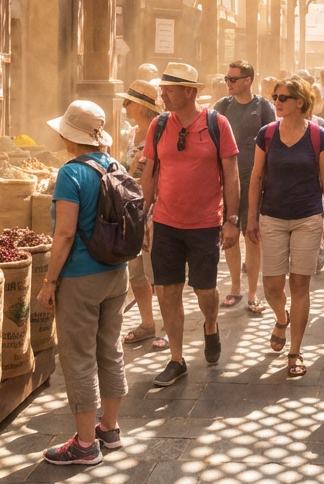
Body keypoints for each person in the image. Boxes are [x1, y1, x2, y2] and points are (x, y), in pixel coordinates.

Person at [36, 101, 128, 465]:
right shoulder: (114, 164)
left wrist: (49, 281)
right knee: (110, 351)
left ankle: (86, 445)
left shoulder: (70, 174)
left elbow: (64, 234)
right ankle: (110, 429)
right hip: (115, 273)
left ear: (69, 135)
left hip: (80, 277)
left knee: (78, 359)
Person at [141, 63, 241, 387]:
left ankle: (210, 325)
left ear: (189, 91)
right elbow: (149, 172)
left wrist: (232, 220)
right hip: (166, 222)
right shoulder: (157, 125)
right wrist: (144, 215)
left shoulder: (217, 124)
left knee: (204, 291)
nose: (162, 93)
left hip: (204, 224)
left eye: (168, 88)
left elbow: (232, 175)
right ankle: (176, 358)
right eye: (162, 88)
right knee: (168, 291)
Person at [247, 76, 324, 377]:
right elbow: (257, 176)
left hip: (307, 217)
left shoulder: (317, 135)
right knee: (271, 286)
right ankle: (281, 318)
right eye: (275, 96)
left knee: (300, 286)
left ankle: (295, 352)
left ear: (300, 101)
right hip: (271, 217)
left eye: (283, 97)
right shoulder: (267, 134)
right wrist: (251, 218)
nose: (277, 101)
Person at [214, 61, 276, 315]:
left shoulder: (263, 107)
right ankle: (235, 288)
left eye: (233, 79)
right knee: (229, 234)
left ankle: (252, 292)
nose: (228, 83)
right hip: (227, 178)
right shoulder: (222, 106)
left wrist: (268, 182)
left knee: (252, 234)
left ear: (248, 80)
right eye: (226, 79)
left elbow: (273, 143)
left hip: (254, 178)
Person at [114, 80, 164, 346]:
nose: (125, 106)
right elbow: (123, 166)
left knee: (159, 273)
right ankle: (147, 323)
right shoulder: (131, 134)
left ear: (144, 108)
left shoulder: (160, 135)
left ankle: (168, 327)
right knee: (136, 272)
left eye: (129, 102)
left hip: (156, 210)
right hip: (132, 209)